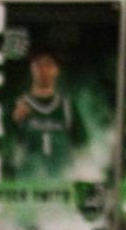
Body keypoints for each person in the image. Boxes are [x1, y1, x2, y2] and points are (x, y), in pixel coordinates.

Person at [10, 43, 81, 180]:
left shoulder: (68, 106)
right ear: (31, 68)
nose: (43, 70)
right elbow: (6, 149)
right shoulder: (17, 105)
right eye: (38, 64)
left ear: (57, 70)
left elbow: (82, 148)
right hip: (28, 183)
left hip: (62, 181)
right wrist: (13, 122)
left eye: (48, 64)